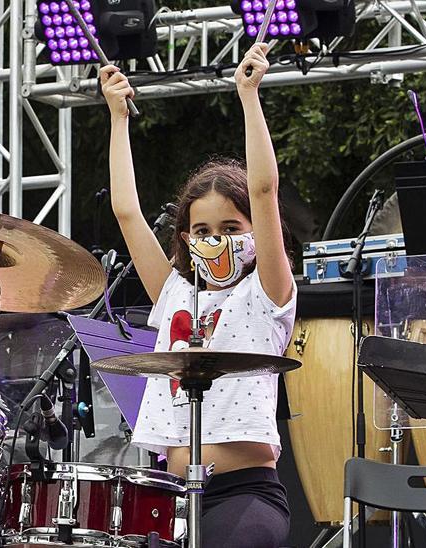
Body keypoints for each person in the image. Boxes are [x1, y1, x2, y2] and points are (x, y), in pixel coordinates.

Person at [101, 43, 295, 547]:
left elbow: (265, 191)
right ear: (186, 236)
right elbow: (126, 212)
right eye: (202, 228)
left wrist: (249, 97)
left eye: (232, 227)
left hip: (243, 492)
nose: (217, 239)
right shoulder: (174, 291)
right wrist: (118, 119)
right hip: (171, 494)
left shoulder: (266, 293)